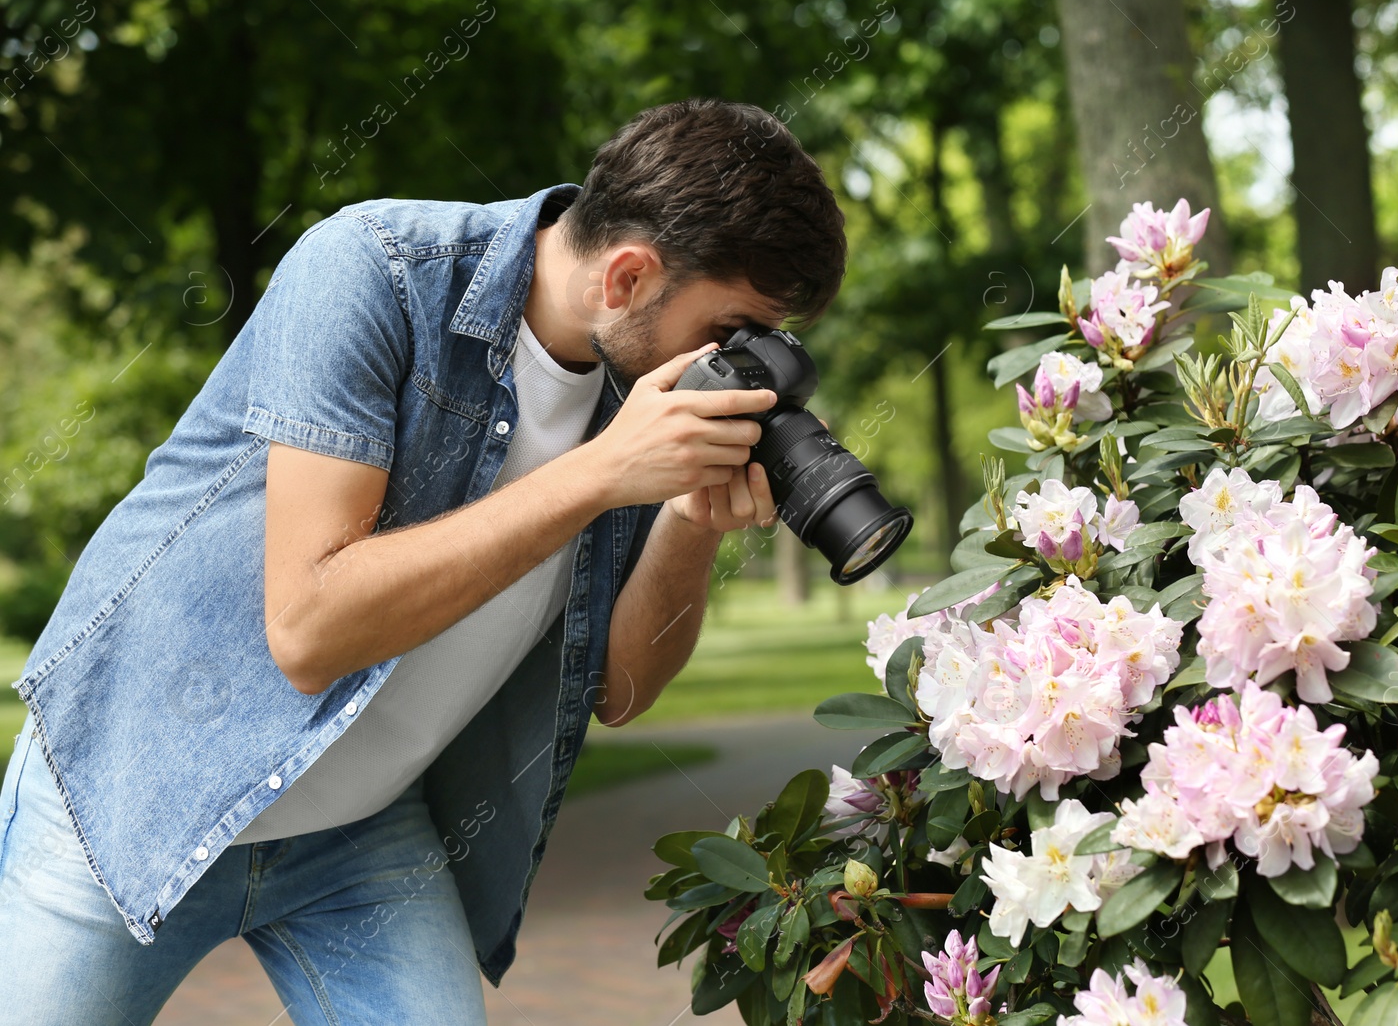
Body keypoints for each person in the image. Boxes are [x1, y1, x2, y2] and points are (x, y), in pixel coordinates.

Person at [0, 97, 848, 1024]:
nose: (741, 364)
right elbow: (309, 627)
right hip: (143, 778)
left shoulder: (643, 393)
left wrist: (688, 516)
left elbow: (624, 691)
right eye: (729, 331)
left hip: (357, 830)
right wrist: (600, 473)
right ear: (628, 276)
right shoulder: (370, 269)